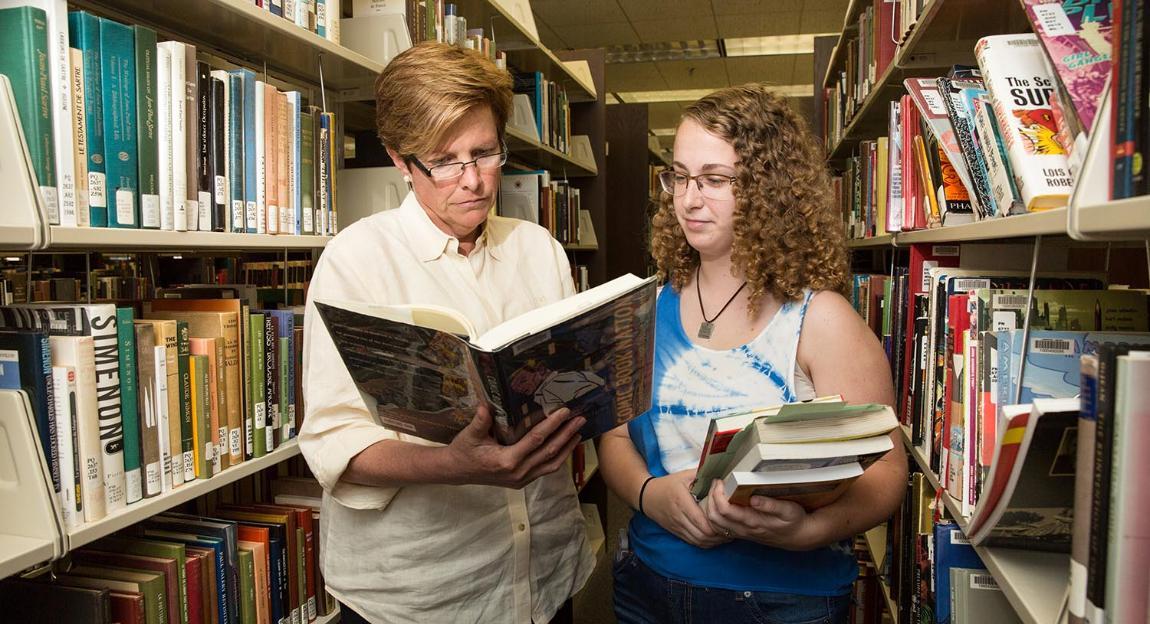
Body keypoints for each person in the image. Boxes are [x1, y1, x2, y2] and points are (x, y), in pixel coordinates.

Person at [299, 42, 595, 624]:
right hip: (422, 592)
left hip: (544, 572)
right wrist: (457, 465)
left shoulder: (540, 251)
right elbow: (334, 441)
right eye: (444, 161)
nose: (475, 182)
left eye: (485, 153)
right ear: (400, 161)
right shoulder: (355, 262)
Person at [599, 84, 908, 624]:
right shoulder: (644, 308)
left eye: (715, 180)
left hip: (782, 601)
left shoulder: (821, 319)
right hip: (646, 585)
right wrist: (649, 496)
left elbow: (885, 478)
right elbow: (616, 437)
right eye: (679, 176)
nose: (689, 199)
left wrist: (807, 531)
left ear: (768, 189)